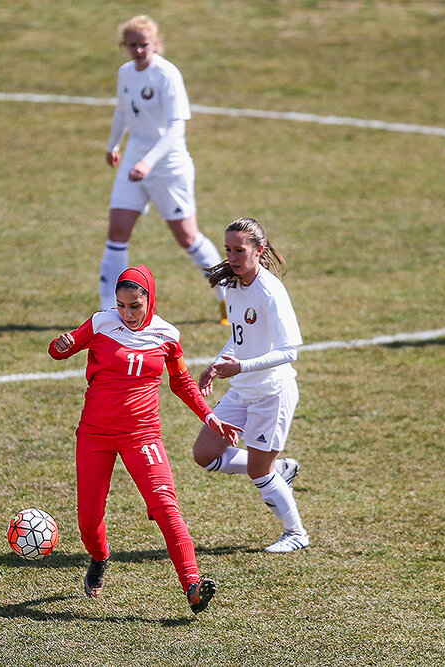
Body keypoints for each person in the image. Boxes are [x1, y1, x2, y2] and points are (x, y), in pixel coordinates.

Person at [49, 265, 242, 613]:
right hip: (95, 434)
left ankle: (193, 585)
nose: (127, 314)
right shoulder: (101, 323)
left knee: (165, 505)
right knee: (88, 521)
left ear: (150, 300)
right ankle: (100, 556)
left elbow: (181, 382)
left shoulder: (167, 335)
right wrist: (60, 345)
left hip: (143, 435)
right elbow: (60, 350)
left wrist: (210, 416)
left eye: (135, 306)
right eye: (121, 306)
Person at [99, 15, 227, 322]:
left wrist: (148, 162)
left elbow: (176, 129)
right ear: (124, 46)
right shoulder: (125, 73)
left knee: (187, 237)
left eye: (144, 44)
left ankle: (226, 297)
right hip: (134, 163)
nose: (139, 50)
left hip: (168, 166)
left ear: (155, 43)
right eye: (133, 45)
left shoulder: (167, 75)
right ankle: (107, 311)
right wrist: (113, 145)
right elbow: (122, 112)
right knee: (116, 232)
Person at [192, 218, 308, 553]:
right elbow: (239, 337)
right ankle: (278, 469)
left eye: (239, 250)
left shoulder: (270, 291)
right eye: (228, 249)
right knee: (205, 454)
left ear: (259, 250)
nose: (231, 256)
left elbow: (290, 351)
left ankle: (296, 533)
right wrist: (217, 365)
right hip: (244, 389)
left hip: (272, 394)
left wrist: (239, 366)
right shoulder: (233, 285)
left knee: (259, 472)